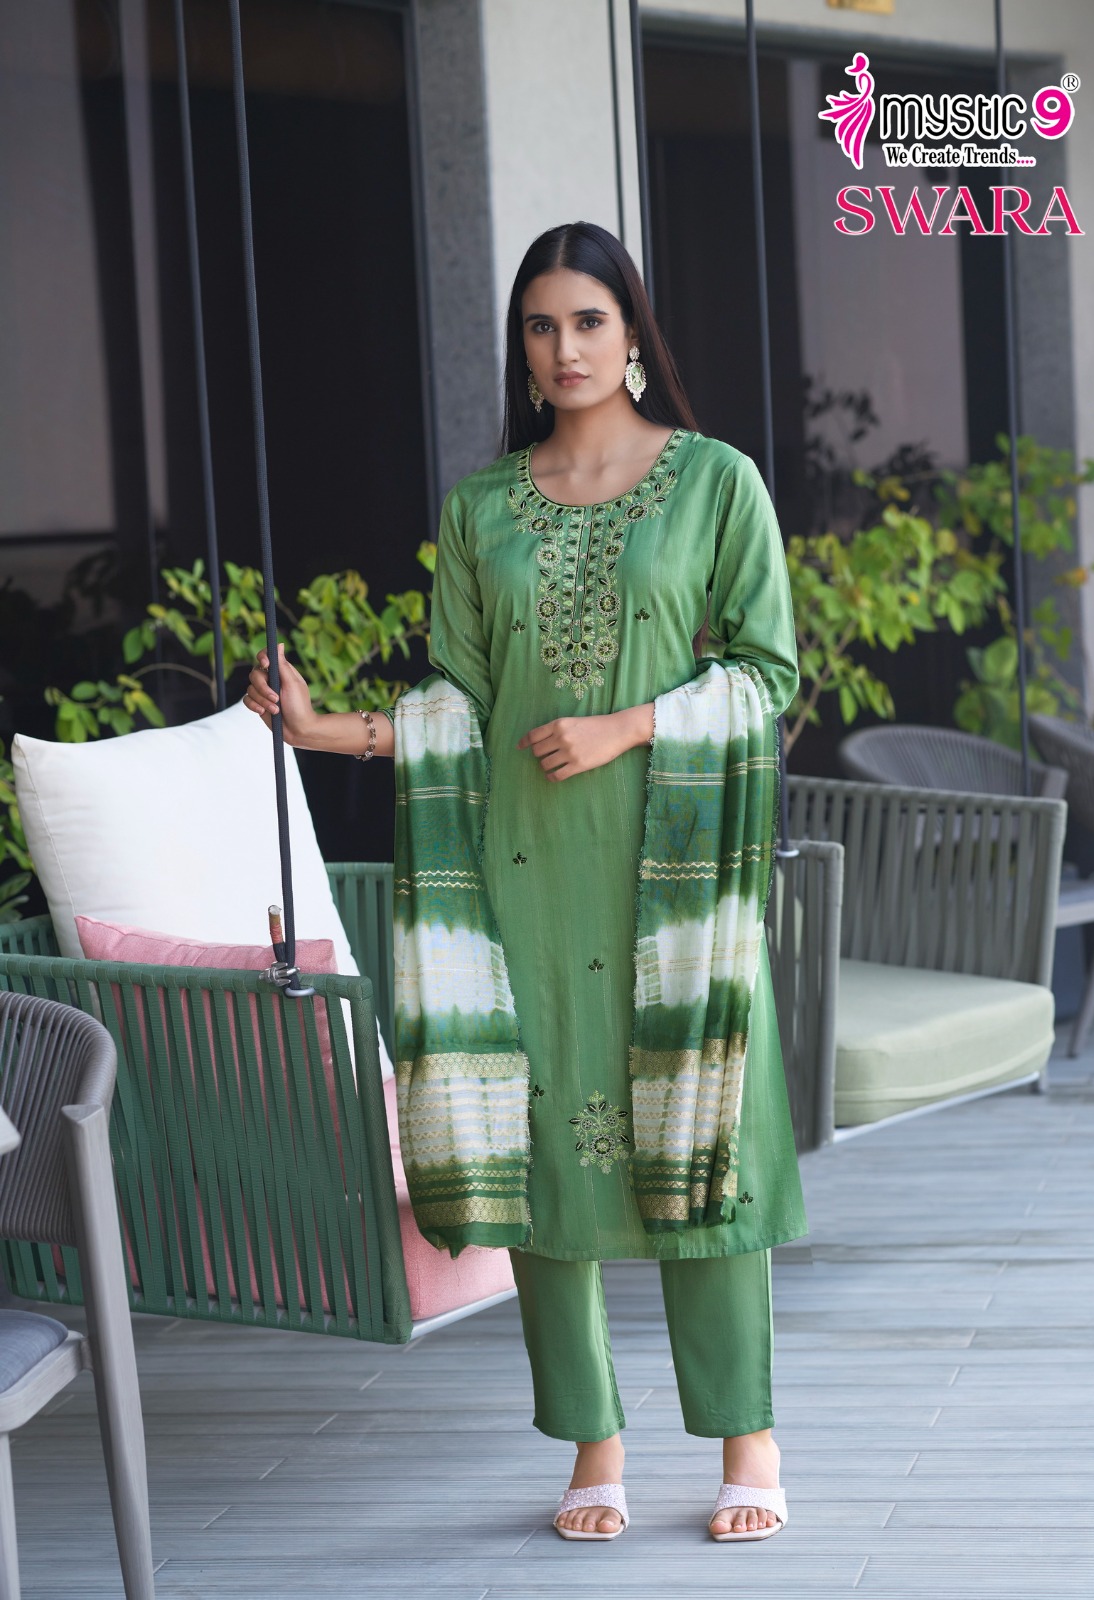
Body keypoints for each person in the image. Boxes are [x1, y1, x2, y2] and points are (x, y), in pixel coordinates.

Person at [244, 220, 807, 1543]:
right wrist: (323, 732)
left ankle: (749, 1439)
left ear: (633, 333)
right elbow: (460, 702)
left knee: (704, 1134)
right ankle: (592, 1441)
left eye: (588, 322)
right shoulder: (484, 507)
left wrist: (628, 726)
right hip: (523, 871)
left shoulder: (715, 481)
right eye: (540, 326)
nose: (564, 348)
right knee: (541, 1143)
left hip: (671, 873)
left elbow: (769, 673)